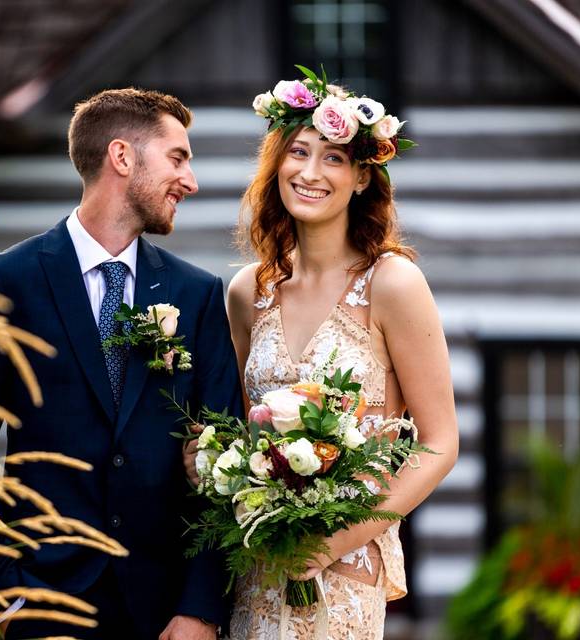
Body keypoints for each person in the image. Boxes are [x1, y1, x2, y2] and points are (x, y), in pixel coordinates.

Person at [0, 88, 243, 639]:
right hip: (47, 607)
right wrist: (6, 600)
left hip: (166, 614)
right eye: (178, 158)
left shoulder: (195, 294)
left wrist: (200, 608)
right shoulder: (8, 282)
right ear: (122, 157)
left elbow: (226, 461)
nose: (190, 181)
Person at [185, 73, 459, 638]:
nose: (309, 173)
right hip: (256, 565)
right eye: (297, 153)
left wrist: (333, 541)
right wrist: (207, 461)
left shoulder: (393, 283)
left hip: (344, 568)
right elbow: (237, 430)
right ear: (276, 164)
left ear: (362, 177)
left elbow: (439, 442)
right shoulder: (247, 292)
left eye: (333, 158)